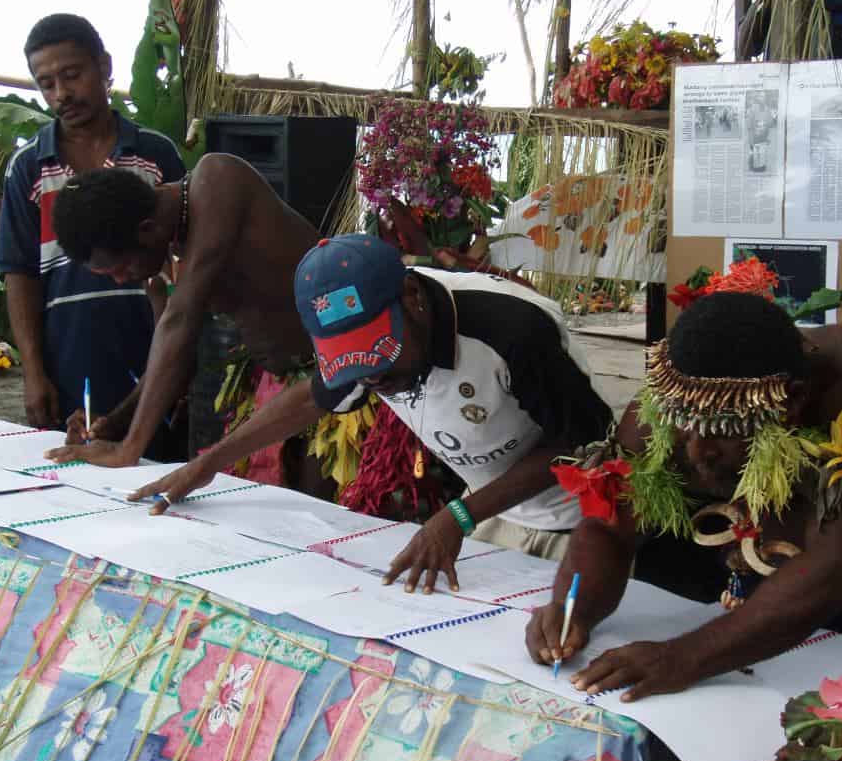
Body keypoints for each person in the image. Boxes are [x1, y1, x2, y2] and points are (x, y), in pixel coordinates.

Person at [524, 293, 842, 721]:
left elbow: (830, 571)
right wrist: (575, 607)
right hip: (788, 567)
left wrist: (683, 656)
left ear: (791, 403)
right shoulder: (674, 397)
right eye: (684, 428)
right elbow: (609, 529)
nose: (695, 450)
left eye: (722, 432)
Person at [105, 233, 614, 589]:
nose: (373, 378)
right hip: (496, 511)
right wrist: (210, 461)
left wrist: (457, 515)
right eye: (355, 364)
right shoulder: (370, 347)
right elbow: (310, 397)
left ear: (413, 298)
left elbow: (577, 443)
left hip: (580, 515)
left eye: (382, 355)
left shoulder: (513, 331)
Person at [40, 155, 321, 466]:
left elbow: (180, 321)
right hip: (276, 391)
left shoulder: (218, 182)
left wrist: (130, 449)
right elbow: (173, 359)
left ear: (146, 230)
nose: (121, 280)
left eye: (119, 269)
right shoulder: (162, 261)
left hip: (336, 382)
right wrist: (113, 424)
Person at [0, 13, 185, 446]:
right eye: (46, 83)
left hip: (151, 350)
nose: (61, 93)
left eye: (72, 75)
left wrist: (179, 366)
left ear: (104, 66)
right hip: (68, 362)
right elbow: (19, 273)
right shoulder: (28, 169)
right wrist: (33, 372)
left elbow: (182, 264)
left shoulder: (155, 156)